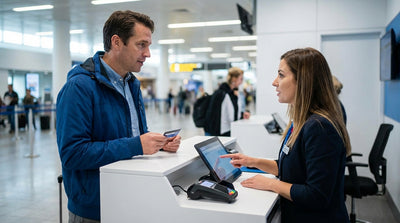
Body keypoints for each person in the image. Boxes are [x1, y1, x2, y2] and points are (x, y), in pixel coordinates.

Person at [56, 10, 181, 223]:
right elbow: (73, 153)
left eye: (149, 46)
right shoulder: (79, 88)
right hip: (95, 209)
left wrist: (157, 143)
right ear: (116, 42)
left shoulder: (131, 83)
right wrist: (137, 145)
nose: (148, 53)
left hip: (128, 197)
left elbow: (134, 135)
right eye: (141, 45)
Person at [221, 48, 351, 223]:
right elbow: (293, 169)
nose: (275, 82)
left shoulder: (319, 128)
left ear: (303, 81)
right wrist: (252, 162)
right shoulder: (301, 121)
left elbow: (317, 196)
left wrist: (270, 184)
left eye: (281, 75)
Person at [204, 67, 250, 136]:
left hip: (219, 131)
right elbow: (231, 117)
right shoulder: (226, 94)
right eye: (241, 79)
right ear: (234, 79)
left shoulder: (225, 92)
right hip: (220, 133)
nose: (241, 82)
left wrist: (242, 114)